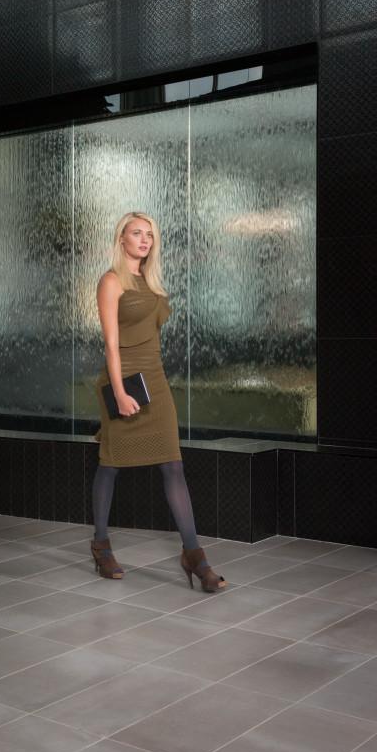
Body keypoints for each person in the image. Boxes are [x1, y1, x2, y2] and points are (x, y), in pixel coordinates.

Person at [90, 211, 226, 593]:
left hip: (155, 381)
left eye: (149, 234)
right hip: (123, 381)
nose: (145, 239)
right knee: (111, 463)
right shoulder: (111, 281)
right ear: (121, 239)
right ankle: (100, 545)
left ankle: (194, 556)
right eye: (137, 233)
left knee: (173, 465)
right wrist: (119, 392)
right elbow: (111, 344)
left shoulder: (150, 282)